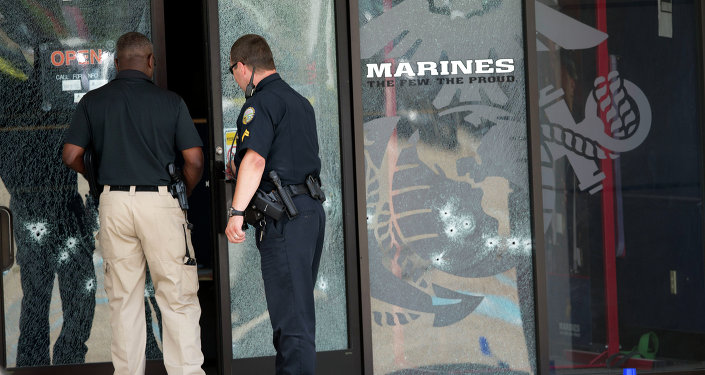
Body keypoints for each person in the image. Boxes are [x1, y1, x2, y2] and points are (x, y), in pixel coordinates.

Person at [62, 31, 205, 375]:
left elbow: (70, 155)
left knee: (124, 302)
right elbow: (196, 159)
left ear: (116, 61)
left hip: (113, 204)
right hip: (160, 202)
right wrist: (181, 191)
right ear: (151, 61)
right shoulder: (171, 102)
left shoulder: (93, 102)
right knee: (176, 298)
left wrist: (98, 183)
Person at [225, 34, 326, 375]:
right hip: (309, 213)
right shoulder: (300, 102)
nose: (235, 79)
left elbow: (255, 162)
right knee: (295, 314)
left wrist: (236, 213)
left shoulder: (260, 104)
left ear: (242, 67)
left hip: (285, 218)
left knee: (292, 321)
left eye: (232, 71)